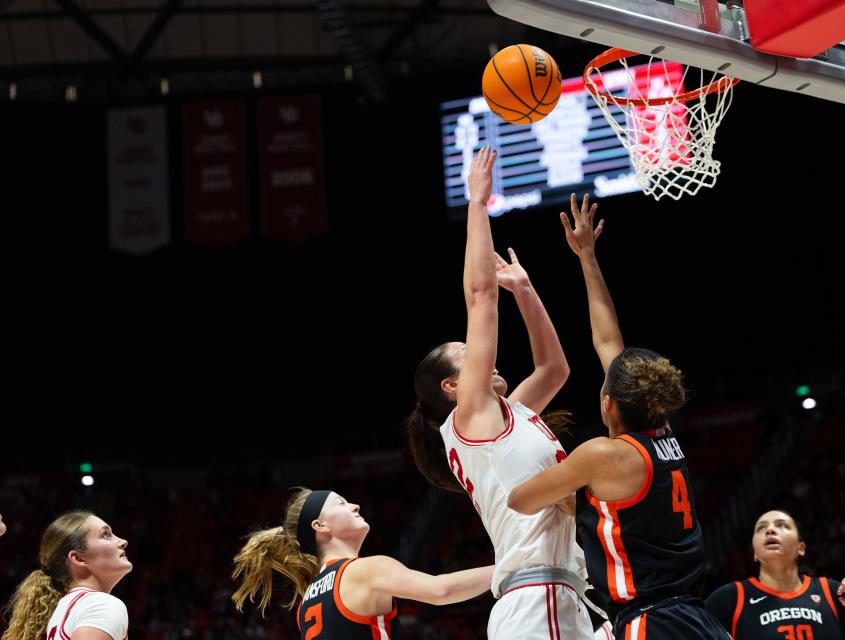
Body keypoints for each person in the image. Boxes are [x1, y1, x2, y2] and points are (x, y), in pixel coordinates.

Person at [507, 193, 728, 640]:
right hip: (694, 616)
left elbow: (520, 500)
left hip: (653, 621)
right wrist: (587, 256)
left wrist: (574, 495)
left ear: (608, 404)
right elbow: (608, 341)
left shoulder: (605, 455)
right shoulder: (660, 431)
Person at [405, 147, 595, 639]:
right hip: (537, 599)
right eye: (466, 352)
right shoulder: (471, 416)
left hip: (553, 597)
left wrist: (526, 290)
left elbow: (554, 369)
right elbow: (480, 296)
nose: (481, 354)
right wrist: (476, 202)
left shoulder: (507, 416)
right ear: (452, 386)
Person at [232, 487, 494, 639]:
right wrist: (508, 566)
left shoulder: (306, 602)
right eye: (341, 503)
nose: (355, 505)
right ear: (320, 525)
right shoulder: (364, 570)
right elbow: (440, 591)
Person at [705, 509, 845, 640]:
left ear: (800, 547)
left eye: (782, 526)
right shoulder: (729, 598)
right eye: (761, 528)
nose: (770, 531)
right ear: (755, 553)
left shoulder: (831, 593)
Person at [2, 510, 131, 640]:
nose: (123, 541)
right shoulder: (100, 605)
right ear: (78, 558)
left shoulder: (59, 611)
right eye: (106, 535)